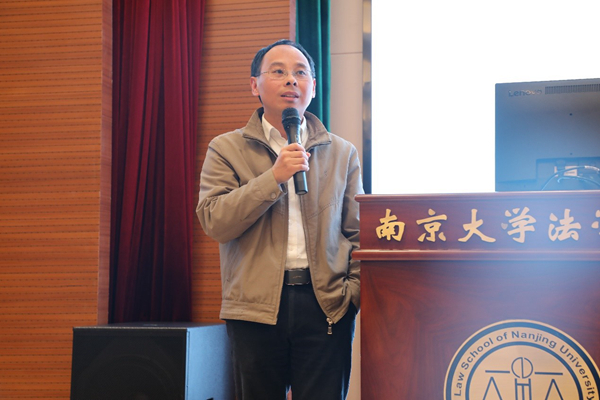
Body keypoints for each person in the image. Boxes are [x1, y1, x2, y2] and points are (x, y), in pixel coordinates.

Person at [196, 39, 363, 400]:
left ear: (313, 88)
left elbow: (358, 234)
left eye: (300, 73)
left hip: (326, 306)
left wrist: (350, 295)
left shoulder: (342, 153)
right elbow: (215, 221)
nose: (291, 80)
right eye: (278, 71)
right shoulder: (226, 148)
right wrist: (273, 177)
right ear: (254, 85)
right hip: (255, 309)